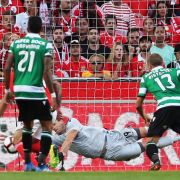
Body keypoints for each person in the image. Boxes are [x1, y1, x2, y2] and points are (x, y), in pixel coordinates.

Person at [4, 16, 58, 171]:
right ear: (41, 28)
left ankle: (28, 164)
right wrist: (53, 95)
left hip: (19, 91)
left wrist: (8, 90)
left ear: (27, 27)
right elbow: (47, 72)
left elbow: (7, 68)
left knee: (27, 126)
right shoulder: (44, 44)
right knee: (47, 126)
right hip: (35, 90)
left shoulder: (16, 43)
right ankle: (42, 164)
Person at [51, 118, 180, 170]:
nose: (53, 128)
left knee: (148, 131)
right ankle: (177, 139)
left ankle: (170, 122)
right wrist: (57, 164)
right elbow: (48, 146)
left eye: (54, 124)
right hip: (112, 153)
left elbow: (71, 136)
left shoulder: (72, 123)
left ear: (62, 121)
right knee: (148, 144)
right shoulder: (57, 138)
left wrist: (63, 152)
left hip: (114, 136)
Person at [136, 53, 180, 171]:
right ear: (163, 64)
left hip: (163, 109)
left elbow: (138, 104)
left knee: (151, 141)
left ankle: (156, 161)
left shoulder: (146, 77)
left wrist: (144, 116)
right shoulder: (175, 71)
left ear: (149, 65)